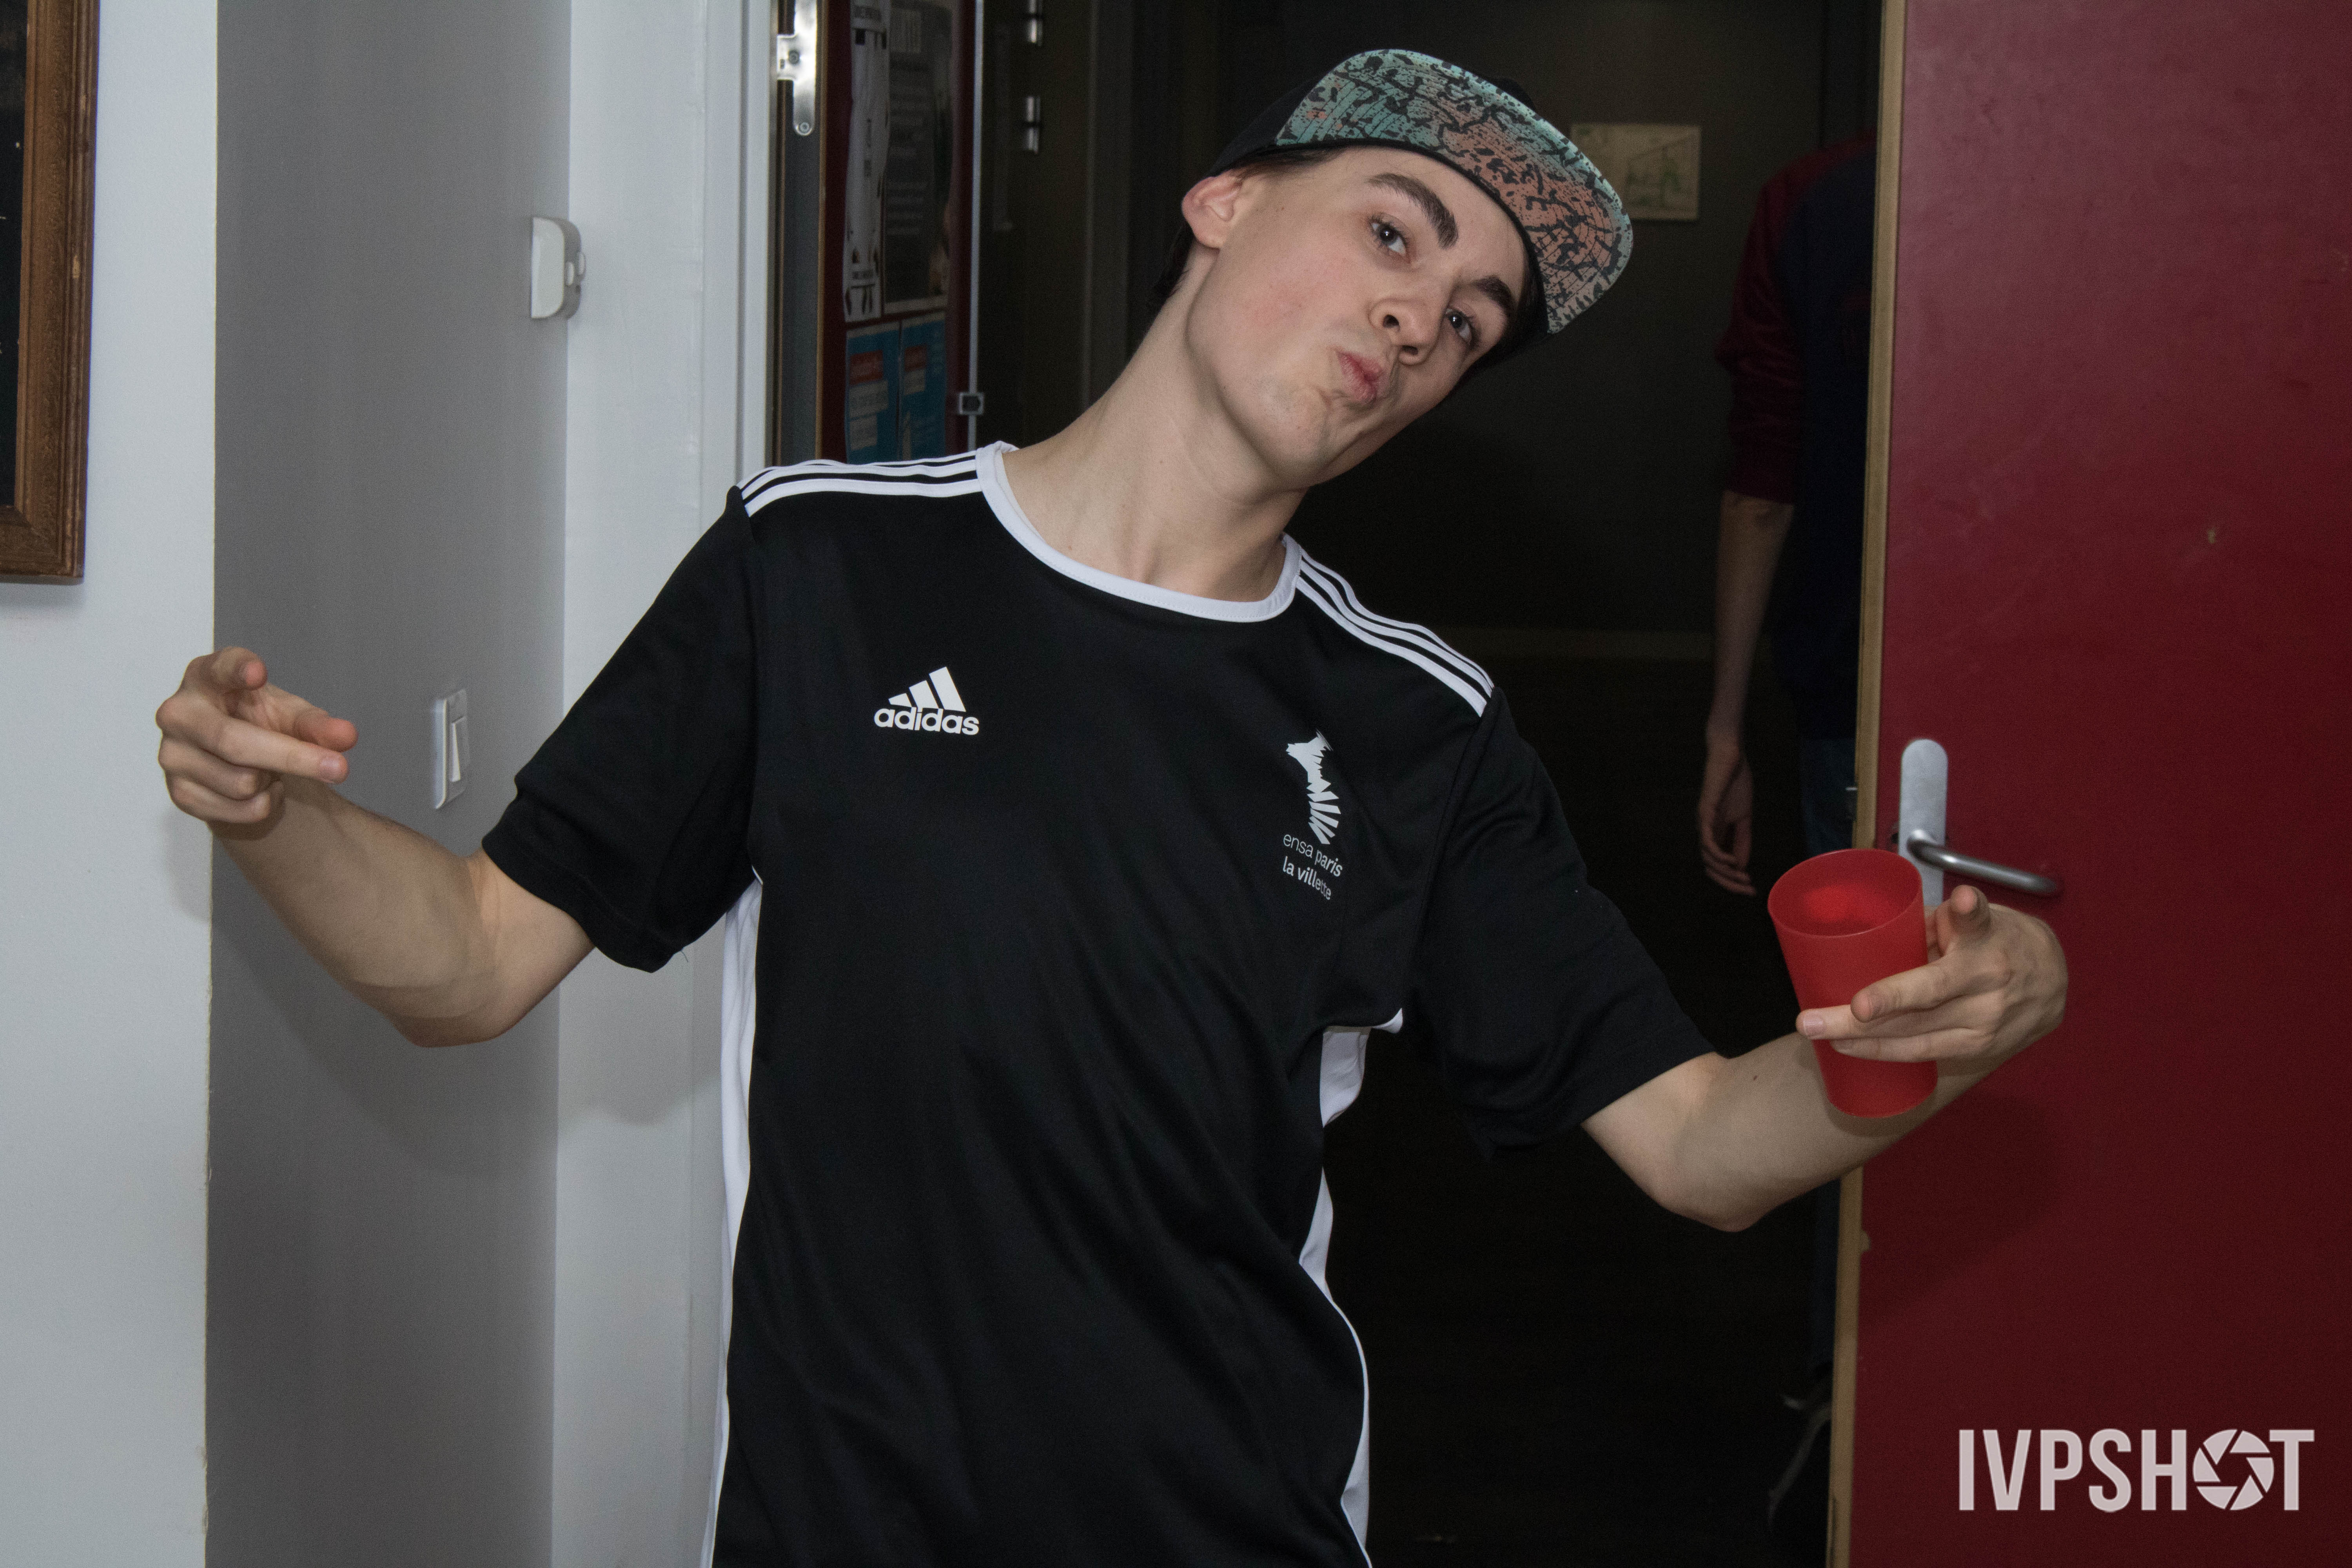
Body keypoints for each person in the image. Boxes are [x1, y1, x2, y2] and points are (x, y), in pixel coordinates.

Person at [157, 55, 2061, 1568]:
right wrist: (269, 819)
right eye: (1391, 233)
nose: (1420, 320)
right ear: (1224, 203)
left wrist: (1928, 1040)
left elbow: (1707, 1146)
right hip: (848, 1526)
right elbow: (469, 962)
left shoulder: (1418, 727)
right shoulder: (818, 569)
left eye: (1472, 319)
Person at [1699, 129, 1882, 1556]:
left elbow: (1768, 478)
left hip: (1855, 697)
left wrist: (1724, 721)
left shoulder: (1819, 197)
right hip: (2046, 679)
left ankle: (1850, 1378)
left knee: (1858, 1047)